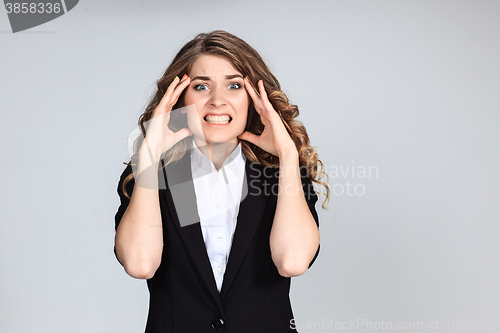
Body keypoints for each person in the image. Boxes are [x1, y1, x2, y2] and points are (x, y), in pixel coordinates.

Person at [114, 30, 330, 333]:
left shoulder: (280, 173)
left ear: (256, 97)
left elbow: (292, 261)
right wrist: (150, 154)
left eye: (234, 85)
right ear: (179, 98)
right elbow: (140, 264)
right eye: (201, 86)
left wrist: (288, 155)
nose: (217, 100)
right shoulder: (154, 172)